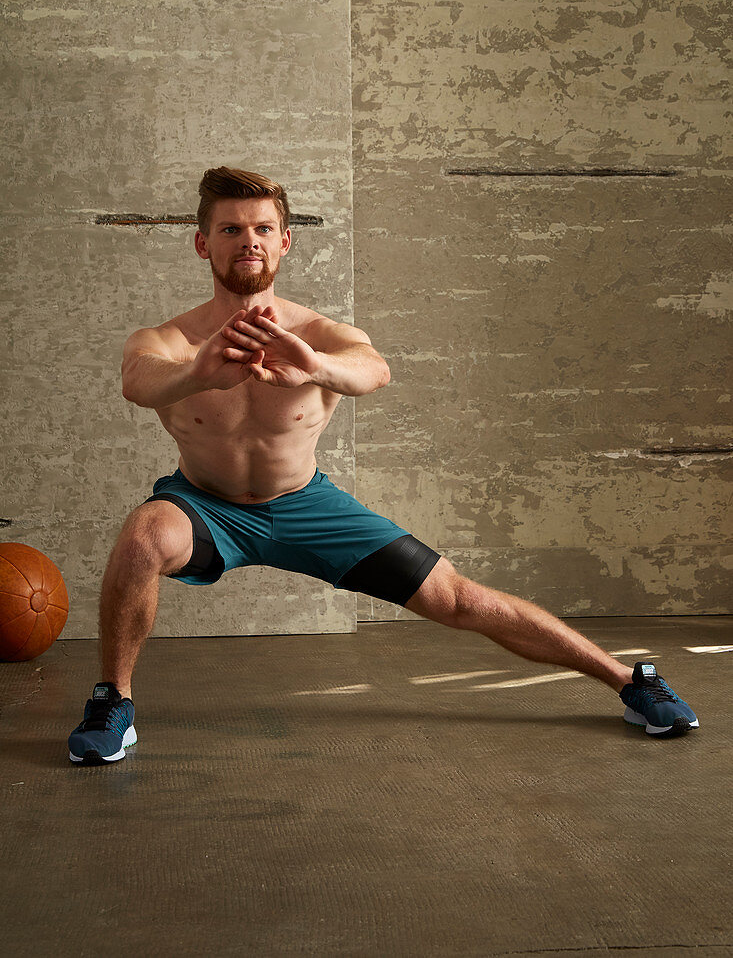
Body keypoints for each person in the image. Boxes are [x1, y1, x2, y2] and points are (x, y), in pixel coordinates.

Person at [68, 166, 699, 764]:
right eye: (231, 229)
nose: (249, 242)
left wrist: (314, 366)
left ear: (286, 242)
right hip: (205, 506)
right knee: (145, 536)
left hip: (306, 505)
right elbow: (139, 380)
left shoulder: (323, 333)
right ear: (203, 245)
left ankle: (628, 679)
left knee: (457, 599)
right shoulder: (169, 340)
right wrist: (199, 370)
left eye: (262, 228)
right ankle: (112, 704)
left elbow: (374, 369)